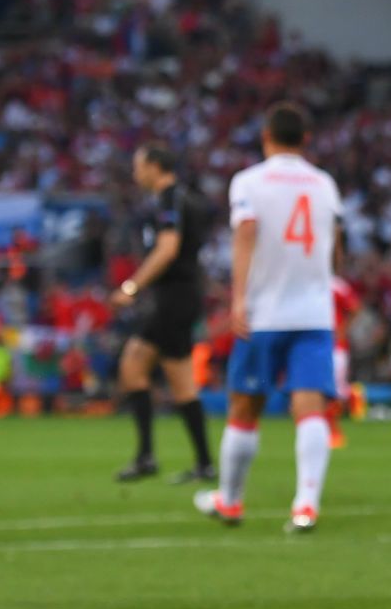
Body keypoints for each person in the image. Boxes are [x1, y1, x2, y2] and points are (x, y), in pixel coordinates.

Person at [193, 104, 342, 533]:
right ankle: (306, 505)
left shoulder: (249, 182)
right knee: (310, 407)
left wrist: (238, 299)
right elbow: (335, 245)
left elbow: (245, 234)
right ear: (306, 139)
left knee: (244, 406)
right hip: (315, 311)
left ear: (266, 136)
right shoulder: (324, 183)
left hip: (264, 311)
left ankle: (231, 501)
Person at [111, 145, 216, 484]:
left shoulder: (170, 200)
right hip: (181, 297)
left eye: (138, 166)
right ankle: (199, 462)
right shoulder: (187, 200)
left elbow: (167, 249)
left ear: (155, 166)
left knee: (139, 365)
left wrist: (132, 287)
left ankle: (149, 457)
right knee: (175, 379)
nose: (135, 173)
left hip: (172, 299)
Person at [328, 273, 360, 448]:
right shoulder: (306, 283)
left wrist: (343, 329)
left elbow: (355, 307)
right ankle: (352, 395)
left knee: (334, 389)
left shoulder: (336, 285)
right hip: (314, 344)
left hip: (336, 345)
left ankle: (334, 431)